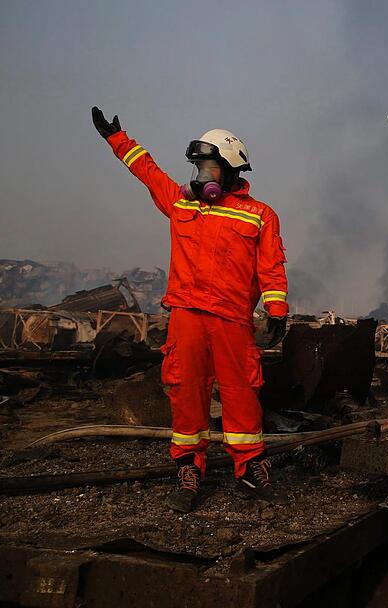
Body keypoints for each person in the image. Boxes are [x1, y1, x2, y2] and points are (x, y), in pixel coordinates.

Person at [92, 106, 288, 511]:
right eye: (197, 167)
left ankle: (250, 465)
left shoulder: (260, 216)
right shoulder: (181, 204)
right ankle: (188, 468)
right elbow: (147, 171)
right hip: (186, 316)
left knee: (241, 395)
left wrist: (277, 310)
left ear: (231, 172)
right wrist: (117, 139)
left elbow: (271, 268)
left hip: (233, 320)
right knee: (185, 394)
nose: (199, 176)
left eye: (208, 167)